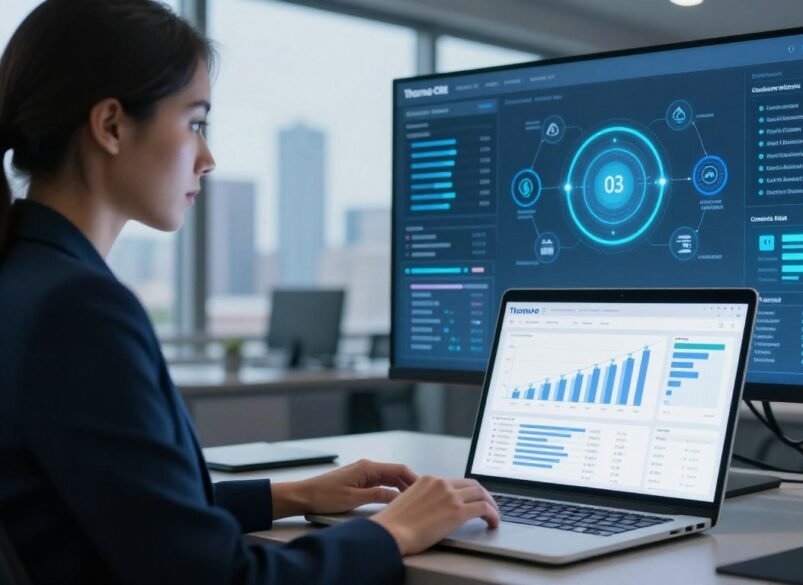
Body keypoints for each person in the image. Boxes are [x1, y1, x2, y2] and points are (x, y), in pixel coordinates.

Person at [0, 1, 499, 583]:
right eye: (194, 123)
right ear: (111, 125)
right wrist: (394, 531)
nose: (208, 159)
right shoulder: (79, 309)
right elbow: (216, 577)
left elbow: (135, 511)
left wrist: (292, 494)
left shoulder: (26, 279)